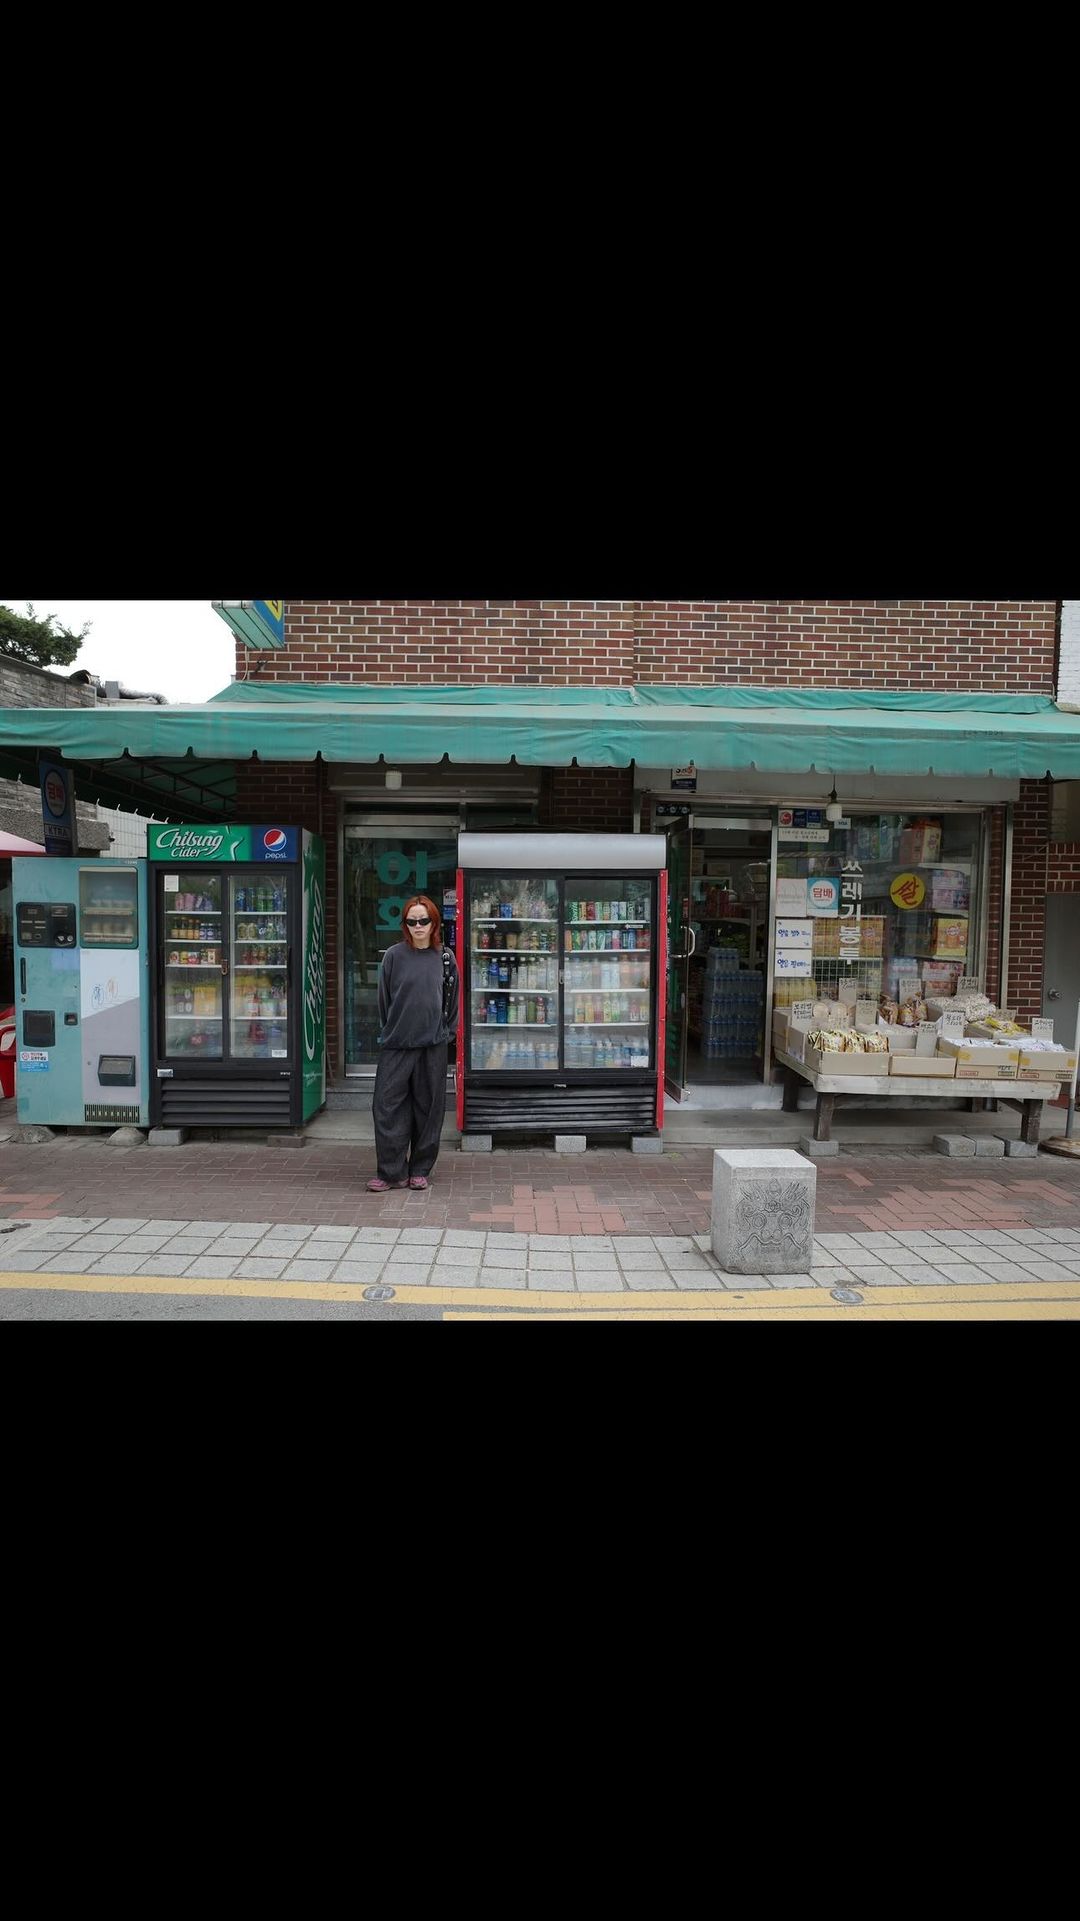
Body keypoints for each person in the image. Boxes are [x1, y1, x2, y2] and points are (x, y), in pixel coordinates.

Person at [367, 894, 459, 1192]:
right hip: (397, 1044)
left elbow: (452, 1002)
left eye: (423, 920)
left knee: (428, 1109)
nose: (418, 926)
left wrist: (446, 1034)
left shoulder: (445, 958)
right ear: (405, 924)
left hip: (432, 1045)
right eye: (411, 921)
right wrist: (393, 1029)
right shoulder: (394, 956)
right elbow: (384, 1001)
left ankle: (420, 1169)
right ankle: (391, 1172)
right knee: (386, 1106)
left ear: (434, 923)